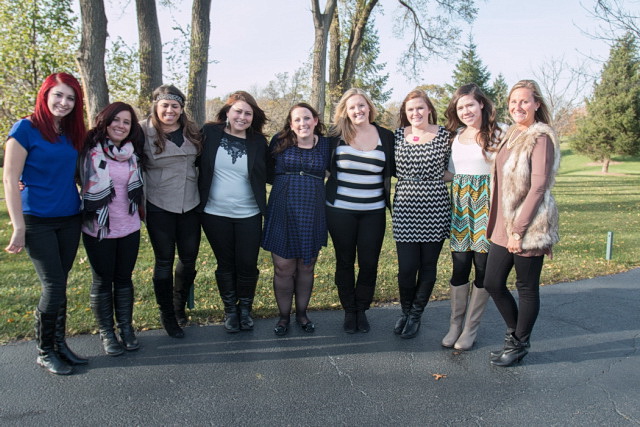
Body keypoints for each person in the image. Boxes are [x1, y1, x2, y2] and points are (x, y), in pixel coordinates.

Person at [3, 73, 88, 375]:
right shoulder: (25, 129)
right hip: (37, 219)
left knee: (61, 282)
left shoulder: (71, 132)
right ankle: (44, 350)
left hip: (70, 216)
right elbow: (10, 179)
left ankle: (60, 344)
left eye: (70, 98)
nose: (64, 102)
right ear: (45, 95)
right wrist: (18, 226)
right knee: (52, 285)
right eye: (58, 95)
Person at [484, 80, 560, 367]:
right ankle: (515, 336)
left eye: (524, 101)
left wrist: (518, 230)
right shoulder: (512, 133)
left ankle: (517, 343)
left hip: (528, 226)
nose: (518, 106)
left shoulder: (540, 137)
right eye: (513, 101)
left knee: (526, 287)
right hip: (502, 225)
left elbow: (538, 186)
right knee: (492, 282)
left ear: (536, 104)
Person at [326, 88, 395, 334]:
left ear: (369, 107)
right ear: (345, 111)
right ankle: (349, 310)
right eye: (352, 107)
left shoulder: (386, 136)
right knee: (344, 261)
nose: (358, 110)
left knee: (369, 262)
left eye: (362, 105)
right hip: (340, 211)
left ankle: (362, 309)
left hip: (373, 212)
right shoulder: (335, 136)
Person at [198, 91, 268, 333]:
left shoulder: (258, 142)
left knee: (248, 263)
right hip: (214, 213)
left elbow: (271, 172)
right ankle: (230, 311)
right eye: (238, 111)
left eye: (248, 113)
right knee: (225, 263)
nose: (242, 117)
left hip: (249, 213)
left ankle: (245, 310)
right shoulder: (209, 133)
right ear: (227, 112)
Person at [79, 102, 145, 356]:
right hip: (99, 228)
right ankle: (107, 331)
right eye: (116, 120)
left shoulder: (133, 152)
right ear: (105, 122)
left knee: (124, 278)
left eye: (126, 122)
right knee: (103, 280)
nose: (120, 125)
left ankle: (126, 328)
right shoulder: (88, 150)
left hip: (129, 226)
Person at [441, 84, 501, 350]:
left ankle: (470, 328)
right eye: (460, 107)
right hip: (460, 208)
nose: (465, 111)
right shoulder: (455, 136)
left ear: (481, 105)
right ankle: (455, 324)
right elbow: (450, 173)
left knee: (482, 267)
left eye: (470, 105)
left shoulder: (498, 133)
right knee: (460, 266)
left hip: (487, 206)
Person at [262, 103, 331, 336]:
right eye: (297, 120)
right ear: (291, 124)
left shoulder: (326, 145)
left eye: (307, 118)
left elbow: (332, 171)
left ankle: (302, 314)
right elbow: (267, 171)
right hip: (282, 207)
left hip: (312, 209)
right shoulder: (279, 141)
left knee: (306, 265)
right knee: (283, 267)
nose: (303, 123)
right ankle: (283, 317)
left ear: (315, 120)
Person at [142, 85, 202, 338]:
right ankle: (167, 314)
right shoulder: (141, 131)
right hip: (159, 204)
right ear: (156, 106)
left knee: (189, 259)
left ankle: (179, 307)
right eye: (164, 105)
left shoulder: (193, 131)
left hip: (191, 203)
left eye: (175, 106)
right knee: (164, 260)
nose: (170, 110)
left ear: (181, 108)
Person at [392, 89, 451, 339]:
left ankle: (416, 315)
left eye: (419, 107)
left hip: (435, 207)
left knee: (428, 266)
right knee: (407, 268)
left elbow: (453, 170)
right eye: (410, 109)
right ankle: (405, 311)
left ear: (429, 109)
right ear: (405, 113)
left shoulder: (444, 135)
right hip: (405, 208)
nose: (415, 113)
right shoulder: (397, 136)